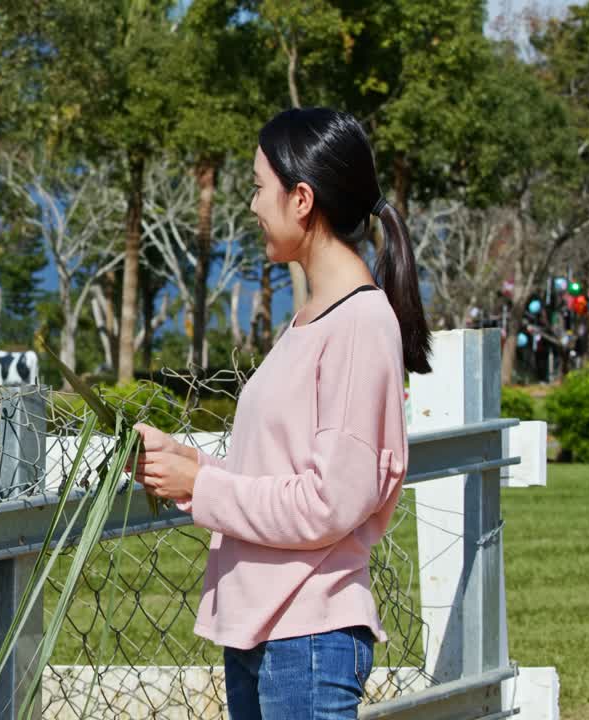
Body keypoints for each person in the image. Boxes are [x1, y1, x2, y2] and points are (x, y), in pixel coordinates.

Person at [130, 107, 433, 720]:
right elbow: (283, 472)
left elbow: (330, 502)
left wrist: (203, 487)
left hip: (307, 640)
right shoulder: (313, 320)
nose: (251, 205)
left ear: (301, 199)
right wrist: (192, 467)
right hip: (267, 634)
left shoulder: (357, 324)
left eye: (257, 187)